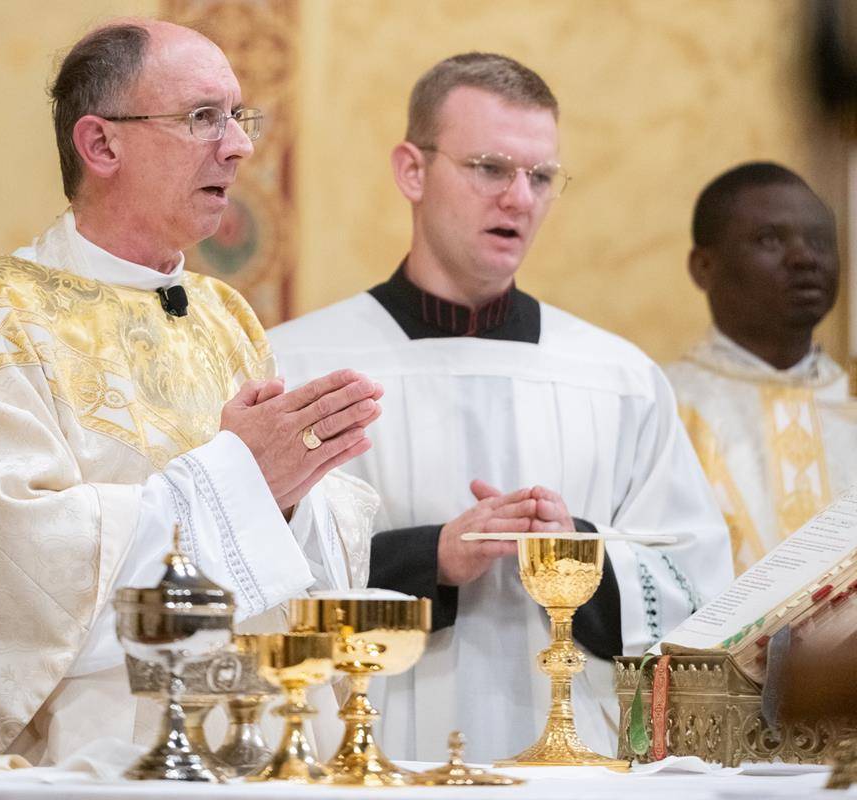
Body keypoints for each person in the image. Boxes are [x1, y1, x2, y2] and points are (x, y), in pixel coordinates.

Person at [0, 19, 384, 764]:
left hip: (266, 747)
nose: (239, 145)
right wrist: (242, 479)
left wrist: (290, 496)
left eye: (237, 117)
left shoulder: (226, 316)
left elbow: (294, 539)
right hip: (101, 759)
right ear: (101, 144)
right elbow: (18, 571)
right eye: (202, 117)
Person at [269, 52, 732, 762]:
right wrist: (430, 560)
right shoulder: (299, 366)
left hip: (579, 768)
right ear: (411, 171)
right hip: (364, 765)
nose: (519, 198)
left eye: (540, 176)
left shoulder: (617, 378)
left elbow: (697, 590)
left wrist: (576, 553)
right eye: (490, 168)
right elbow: (247, 584)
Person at [665, 162, 857, 574]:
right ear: (703, 267)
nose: (805, 257)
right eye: (769, 239)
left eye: (821, 240)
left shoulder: (851, 403)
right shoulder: (663, 406)